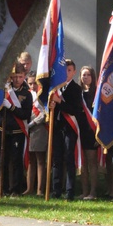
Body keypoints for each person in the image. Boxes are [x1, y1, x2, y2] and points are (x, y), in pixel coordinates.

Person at [49, 59, 84, 200]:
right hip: (58, 127)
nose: (67, 73)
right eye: (65, 70)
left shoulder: (76, 89)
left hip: (70, 127)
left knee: (69, 158)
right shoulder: (57, 88)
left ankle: (70, 191)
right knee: (56, 159)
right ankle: (56, 189)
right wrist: (52, 106)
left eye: (69, 70)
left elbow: (74, 109)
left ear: (74, 72)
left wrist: (60, 103)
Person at [0, 62, 32, 196]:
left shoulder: (26, 94)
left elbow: (25, 114)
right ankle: (4, 188)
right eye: (15, 76)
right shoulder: (6, 90)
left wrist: (11, 107)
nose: (17, 80)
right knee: (3, 160)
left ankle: (15, 189)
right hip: (4, 129)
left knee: (16, 161)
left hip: (18, 131)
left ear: (24, 76)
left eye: (20, 76)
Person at [24, 70, 48, 196]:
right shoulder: (27, 95)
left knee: (40, 160)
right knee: (30, 160)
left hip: (39, 129)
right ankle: (29, 188)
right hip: (28, 130)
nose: (32, 86)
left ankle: (40, 189)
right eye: (30, 83)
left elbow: (44, 114)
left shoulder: (41, 95)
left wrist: (32, 123)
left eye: (34, 83)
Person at [79, 66, 100, 200]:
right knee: (83, 162)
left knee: (92, 162)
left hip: (92, 131)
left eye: (88, 75)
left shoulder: (96, 93)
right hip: (81, 130)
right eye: (83, 75)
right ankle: (84, 191)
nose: (85, 77)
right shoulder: (79, 93)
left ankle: (93, 192)